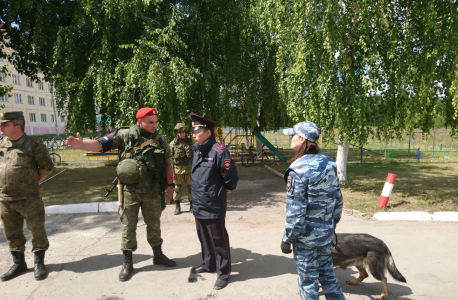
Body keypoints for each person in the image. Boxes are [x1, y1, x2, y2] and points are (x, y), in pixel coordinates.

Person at [67, 107, 176, 282]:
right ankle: (127, 263)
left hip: (152, 191)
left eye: (155, 122)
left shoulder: (160, 140)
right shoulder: (125, 134)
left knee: (154, 224)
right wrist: (81, 145)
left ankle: (158, 255)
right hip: (129, 192)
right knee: (128, 227)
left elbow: (168, 164)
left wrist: (170, 185)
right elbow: (101, 144)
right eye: (150, 122)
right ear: (139, 121)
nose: (154, 125)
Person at [281, 121, 345, 300]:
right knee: (327, 274)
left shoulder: (298, 170)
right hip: (325, 234)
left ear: (302, 139)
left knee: (308, 281)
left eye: (293, 136)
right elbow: (338, 200)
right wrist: (331, 225)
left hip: (305, 238)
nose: (291, 139)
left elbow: (296, 212)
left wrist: (287, 238)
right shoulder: (330, 164)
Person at [0, 111, 54, 281]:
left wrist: (29, 183)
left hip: (29, 198)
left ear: (17, 126)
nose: (1, 126)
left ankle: (39, 263)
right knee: (11, 232)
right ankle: (19, 263)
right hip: (6, 199)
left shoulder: (33, 146)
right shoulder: (1, 143)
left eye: (5, 124)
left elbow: (46, 168)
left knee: (36, 230)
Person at [189, 113, 238, 290]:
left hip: (213, 204)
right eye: (192, 131)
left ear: (208, 132)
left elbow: (231, 176)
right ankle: (208, 264)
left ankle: (223, 273)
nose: (193, 134)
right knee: (203, 237)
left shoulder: (219, 151)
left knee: (219, 240)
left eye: (197, 131)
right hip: (199, 202)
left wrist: (227, 188)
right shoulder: (198, 150)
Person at [169, 123, 193, 215]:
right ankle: (177, 206)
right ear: (177, 133)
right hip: (177, 170)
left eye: (183, 132)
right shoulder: (173, 144)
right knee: (177, 188)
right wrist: (172, 172)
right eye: (180, 132)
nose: (182, 134)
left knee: (191, 188)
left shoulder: (191, 143)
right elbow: (170, 159)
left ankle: (192, 206)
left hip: (189, 169)